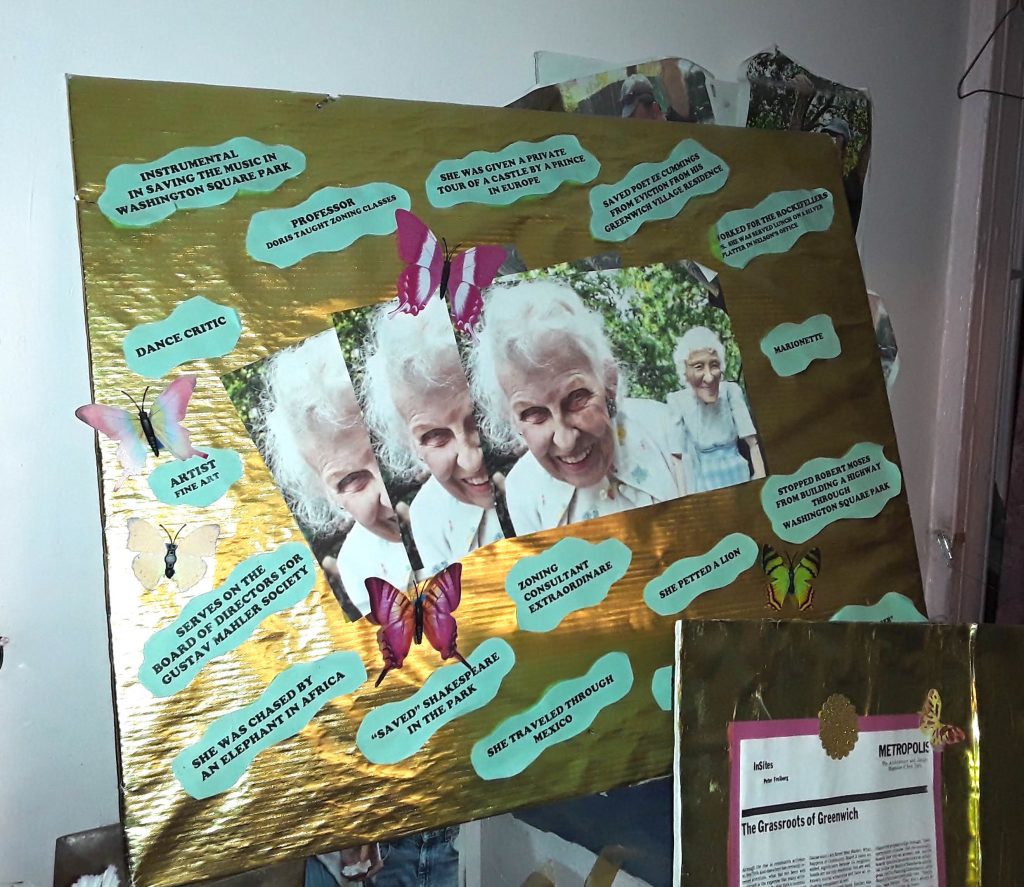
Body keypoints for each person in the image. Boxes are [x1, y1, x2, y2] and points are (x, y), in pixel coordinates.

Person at [469, 279, 684, 534]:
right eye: (533, 414)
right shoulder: (523, 491)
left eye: (577, 398)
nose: (565, 441)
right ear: (510, 418)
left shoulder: (663, 428)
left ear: (609, 383)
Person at [259, 331, 412, 616]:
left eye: (391, 453)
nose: (389, 499)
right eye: (351, 480)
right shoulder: (358, 564)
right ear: (327, 494)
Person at [360, 297, 505, 574]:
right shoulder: (427, 514)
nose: (472, 461)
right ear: (411, 445)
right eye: (435, 436)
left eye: (478, 418)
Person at [668, 326, 765, 493]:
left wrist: (761, 482)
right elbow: (677, 458)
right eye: (699, 367)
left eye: (714, 365)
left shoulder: (731, 392)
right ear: (685, 371)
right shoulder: (678, 401)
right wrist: (684, 499)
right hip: (706, 484)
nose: (709, 377)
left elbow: (753, 443)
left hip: (740, 477)